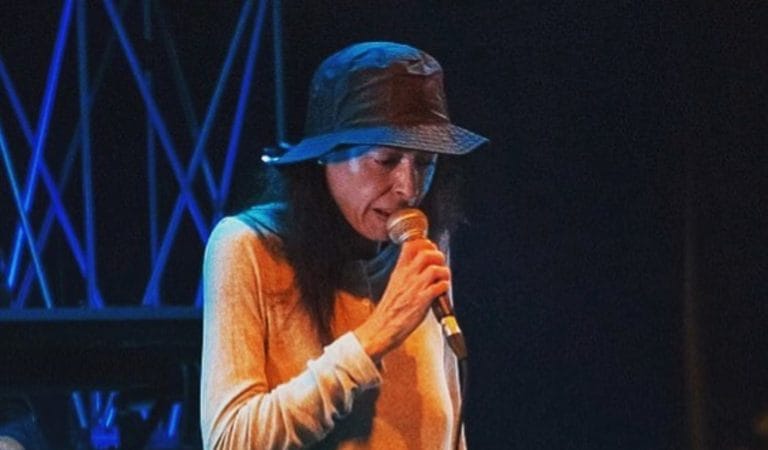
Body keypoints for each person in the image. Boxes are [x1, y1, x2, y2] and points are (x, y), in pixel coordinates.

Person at [200, 41, 487, 449]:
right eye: (386, 160)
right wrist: (377, 334)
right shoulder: (248, 247)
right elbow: (229, 440)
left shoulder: (423, 244)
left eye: (424, 162)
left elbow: (449, 426)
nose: (408, 189)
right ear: (327, 157)